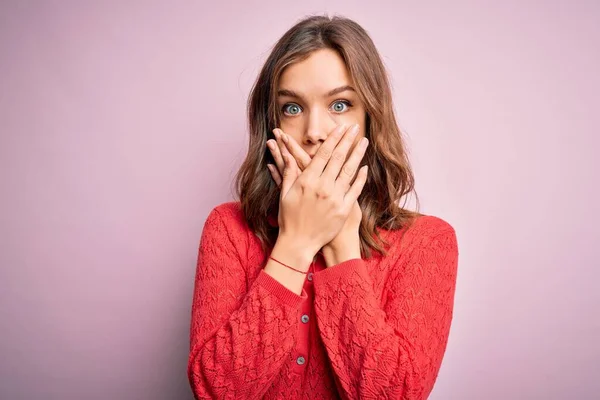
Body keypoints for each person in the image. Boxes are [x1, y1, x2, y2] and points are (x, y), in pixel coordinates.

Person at [187, 14, 459, 400]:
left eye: (340, 104)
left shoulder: (427, 242)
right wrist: (296, 242)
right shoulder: (228, 228)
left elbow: (394, 394)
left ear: (370, 117)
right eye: (292, 108)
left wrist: (342, 243)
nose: (314, 131)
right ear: (272, 123)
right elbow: (216, 391)